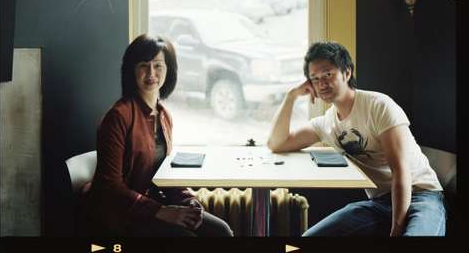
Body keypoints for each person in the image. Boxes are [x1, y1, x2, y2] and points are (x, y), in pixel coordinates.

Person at [267, 41, 446, 237]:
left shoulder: (379, 106)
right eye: (315, 79)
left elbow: (400, 170)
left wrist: (396, 230)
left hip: (421, 195)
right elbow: (277, 143)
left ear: (347, 72)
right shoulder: (326, 123)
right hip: (378, 203)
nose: (322, 84)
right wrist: (290, 97)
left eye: (328, 74)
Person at [84, 34, 233, 236]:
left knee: (221, 231)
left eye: (158, 65)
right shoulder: (118, 116)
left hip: (151, 206)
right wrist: (161, 211)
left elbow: (162, 176)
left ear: (168, 70)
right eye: (143, 65)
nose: (151, 73)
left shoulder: (164, 116)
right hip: (120, 213)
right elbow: (109, 186)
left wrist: (190, 201)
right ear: (132, 70)